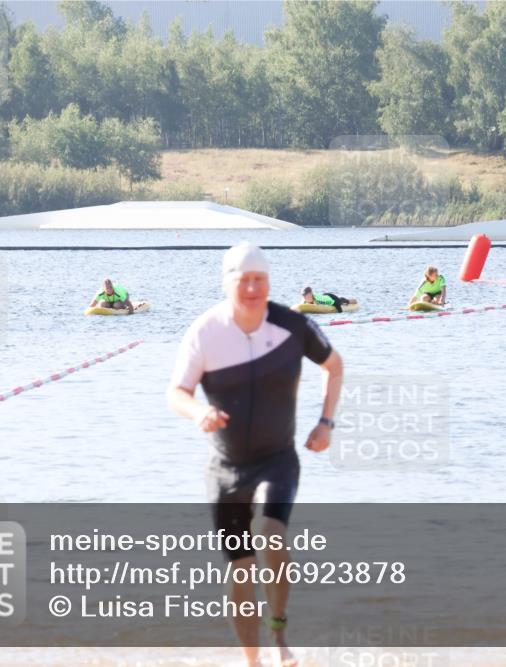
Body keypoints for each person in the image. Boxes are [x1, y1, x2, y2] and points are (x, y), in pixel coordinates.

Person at [167, 243, 344, 667]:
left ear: (268, 283)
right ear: (226, 284)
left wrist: (326, 423)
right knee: (240, 571)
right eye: (242, 280)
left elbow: (334, 367)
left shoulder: (292, 326)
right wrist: (199, 412)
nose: (251, 288)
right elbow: (176, 392)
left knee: (270, 532)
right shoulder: (205, 332)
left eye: (259, 280)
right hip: (225, 469)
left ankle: (279, 632)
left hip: (276, 460)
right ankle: (253, 661)